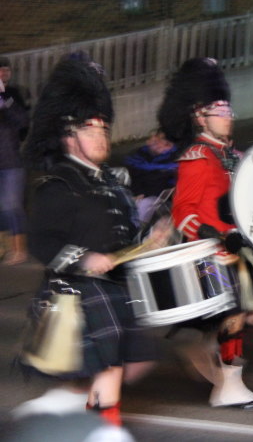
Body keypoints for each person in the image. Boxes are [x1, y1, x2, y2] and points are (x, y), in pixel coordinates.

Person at [19, 55, 164, 426]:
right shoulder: (58, 185)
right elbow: (41, 243)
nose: (101, 137)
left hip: (115, 287)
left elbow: (124, 233)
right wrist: (84, 259)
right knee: (111, 368)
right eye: (90, 130)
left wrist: (151, 238)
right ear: (69, 137)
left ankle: (73, 410)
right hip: (76, 290)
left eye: (104, 129)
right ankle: (96, 427)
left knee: (138, 361)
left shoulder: (112, 181)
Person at [159, 57, 253, 411]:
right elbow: (182, 211)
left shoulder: (233, 154)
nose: (228, 116)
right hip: (210, 251)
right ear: (200, 116)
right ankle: (228, 385)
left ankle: (206, 347)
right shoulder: (197, 157)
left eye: (228, 110)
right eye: (219, 111)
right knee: (234, 315)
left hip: (237, 247)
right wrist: (211, 234)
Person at [0, 56, 30, 265]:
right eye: (0, 71)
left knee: (12, 205)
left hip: (11, 160)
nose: (3, 74)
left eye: (6, 71)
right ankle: (3, 248)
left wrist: (4, 98)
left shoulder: (14, 95)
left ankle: (20, 250)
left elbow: (22, 121)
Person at [123, 129, 178, 223]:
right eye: (156, 139)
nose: (158, 143)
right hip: (138, 195)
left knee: (144, 204)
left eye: (165, 143)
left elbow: (166, 183)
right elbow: (135, 178)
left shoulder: (175, 159)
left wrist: (143, 195)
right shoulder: (139, 156)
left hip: (161, 200)